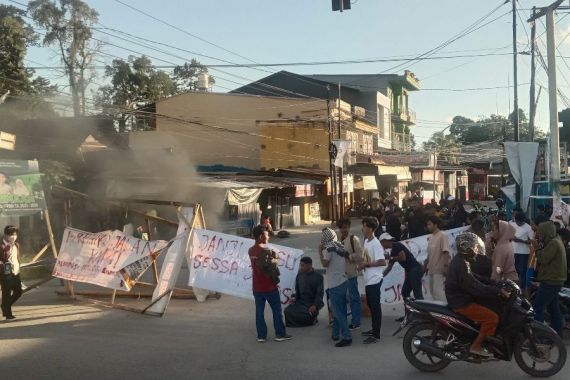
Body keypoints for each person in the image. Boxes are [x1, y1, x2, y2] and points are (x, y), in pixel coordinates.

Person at [445, 232, 509, 358]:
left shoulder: (462, 260)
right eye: (474, 247)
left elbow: (475, 278)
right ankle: (476, 346)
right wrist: (497, 291)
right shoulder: (461, 264)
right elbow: (476, 287)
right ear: (466, 248)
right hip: (461, 302)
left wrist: (494, 282)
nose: (476, 250)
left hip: (462, 297)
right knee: (492, 318)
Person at [248, 225, 291, 343]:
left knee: (259, 312)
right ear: (261, 236)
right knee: (276, 311)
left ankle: (261, 336)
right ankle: (280, 333)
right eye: (267, 234)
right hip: (269, 287)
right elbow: (273, 268)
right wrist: (276, 258)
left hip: (257, 286)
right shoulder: (267, 251)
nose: (268, 236)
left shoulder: (251, 250)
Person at [533, 221, 567, 338]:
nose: (540, 236)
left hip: (551, 281)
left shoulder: (553, 243)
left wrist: (537, 249)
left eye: (541, 234)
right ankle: (557, 335)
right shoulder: (556, 240)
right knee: (553, 309)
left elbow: (543, 259)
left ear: (546, 232)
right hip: (555, 280)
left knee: (537, 307)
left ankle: (540, 336)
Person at [319, 227, 352, 347]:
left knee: (337, 312)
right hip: (343, 281)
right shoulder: (340, 245)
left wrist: (319, 251)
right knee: (341, 309)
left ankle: (347, 336)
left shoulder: (328, 248)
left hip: (335, 283)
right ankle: (335, 333)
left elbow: (325, 263)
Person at [358, 217, 387, 344]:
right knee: (371, 305)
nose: (362, 228)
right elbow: (366, 258)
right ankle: (374, 329)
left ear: (370, 228)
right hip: (368, 279)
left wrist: (367, 265)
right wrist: (361, 264)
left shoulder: (376, 243)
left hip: (375, 279)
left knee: (375, 308)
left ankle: (376, 334)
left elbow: (382, 261)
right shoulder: (366, 241)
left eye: (364, 226)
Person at [337, 218, 363, 330]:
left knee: (354, 298)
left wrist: (348, 255)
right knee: (341, 299)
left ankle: (356, 321)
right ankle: (341, 321)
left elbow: (360, 256)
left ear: (349, 227)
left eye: (346, 227)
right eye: (342, 227)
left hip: (351, 273)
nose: (344, 229)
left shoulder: (354, 239)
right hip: (339, 275)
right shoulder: (337, 240)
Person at [381, 233, 423, 300]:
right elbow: (389, 268)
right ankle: (411, 307)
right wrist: (380, 277)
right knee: (405, 293)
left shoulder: (397, 245)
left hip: (415, 269)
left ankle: (422, 309)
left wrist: (390, 257)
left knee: (417, 293)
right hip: (411, 271)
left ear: (385, 241)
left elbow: (403, 257)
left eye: (381, 243)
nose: (381, 245)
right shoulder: (392, 252)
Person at [284, 257, 324, 327]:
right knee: (287, 311)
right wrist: (294, 299)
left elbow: (319, 293)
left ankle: (313, 318)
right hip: (301, 302)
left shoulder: (318, 277)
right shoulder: (299, 275)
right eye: (300, 265)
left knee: (307, 314)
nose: (301, 267)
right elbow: (298, 291)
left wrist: (315, 305)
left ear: (309, 265)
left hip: (311, 303)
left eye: (302, 265)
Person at [424, 215, 449, 302]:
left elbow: (446, 252)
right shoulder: (431, 237)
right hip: (431, 268)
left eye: (430, 224)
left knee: (437, 293)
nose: (428, 226)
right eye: (427, 224)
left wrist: (445, 267)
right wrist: (426, 265)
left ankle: (443, 313)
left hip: (439, 269)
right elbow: (429, 253)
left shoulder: (442, 235)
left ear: (436, 224)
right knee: (432, 291)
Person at [0, 226, 22, 320]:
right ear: (5, 235)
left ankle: (4, 306)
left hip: (16, 272)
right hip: (5, 273)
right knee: (6, 294)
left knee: (18, 292)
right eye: (11, 235)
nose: (13, 237)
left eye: (15, 234)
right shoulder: (1, 246)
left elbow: (16, 258)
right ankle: (8, 314)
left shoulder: (16, 245)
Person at [509, 212, 535, 291]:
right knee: (514, 270)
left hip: (524, 252)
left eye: (520, 222)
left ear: (524, 220)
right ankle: (513, 287)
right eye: (517, 222)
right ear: (515, 220)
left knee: (522, 270)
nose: (519, 223)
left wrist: (519, 240)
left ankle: (522, 288)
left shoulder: (528, 228)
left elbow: (531, 241)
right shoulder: (512, 225)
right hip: (513, 251)